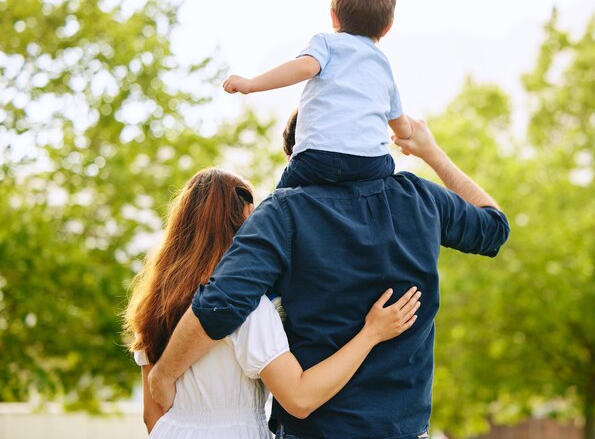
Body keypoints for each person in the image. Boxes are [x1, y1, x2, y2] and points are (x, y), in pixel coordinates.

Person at [149, 115, 511, 439]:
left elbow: (222, 301)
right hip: (402, 429)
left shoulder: (284, 212)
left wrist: (163, 375)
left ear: (299, 154)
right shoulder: (421, 199)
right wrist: (431, 153)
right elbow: (494, 228)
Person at [123, 167, 421, 438]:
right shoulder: (246, 307)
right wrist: (371, 334)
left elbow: (153, 416)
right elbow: (299, 398)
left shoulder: (153, 304)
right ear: (247, 217)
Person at [223, 0, 413, 189]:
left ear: (333, 15)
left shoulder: (326, 43)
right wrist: (406, 139)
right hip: (369, 163)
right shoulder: (382, 64)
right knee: (387, 169)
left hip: (318, 157)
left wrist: (250, 84)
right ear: (387, 28)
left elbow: (304, 66)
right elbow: (398, 119)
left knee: (279, 200)